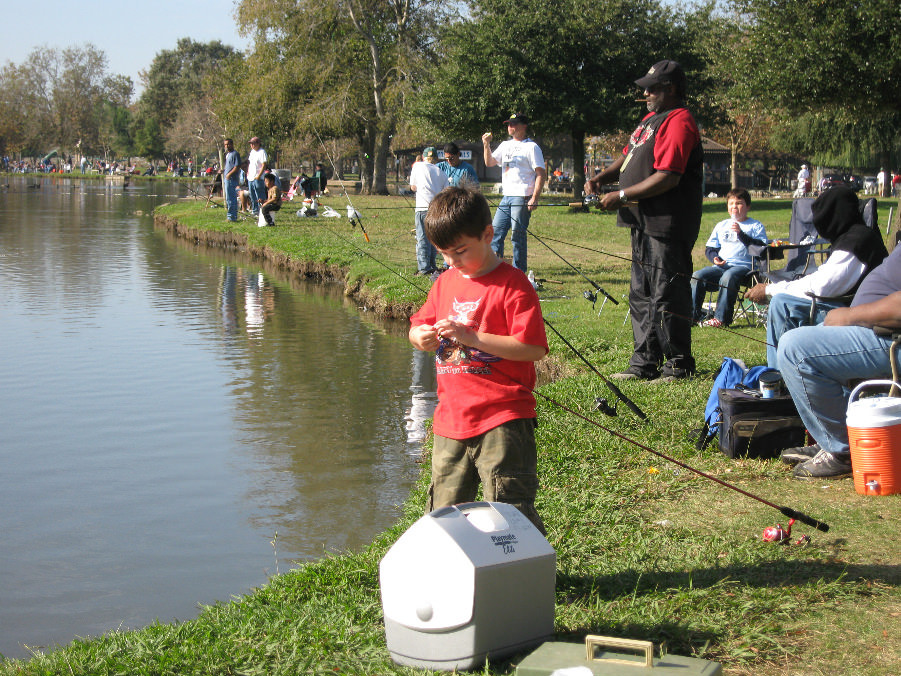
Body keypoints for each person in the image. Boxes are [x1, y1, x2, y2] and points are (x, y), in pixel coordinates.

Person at [408, 186, 549, 532]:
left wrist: (473, 337)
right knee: (444, 511)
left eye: (460, 251)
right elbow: (417, 326)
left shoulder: (513, 285)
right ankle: (457, 577)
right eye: (443, 254)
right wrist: (420, 338)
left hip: (503, 417)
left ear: (488, 235)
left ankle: (523, 574)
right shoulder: (444, 283)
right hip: (450, 420)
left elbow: (533, 348)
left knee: (508, 509)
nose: (451, 261)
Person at [585, 60, 704, 382]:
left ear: (672, 89)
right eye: (645, 88)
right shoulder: (651, 119)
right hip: (641, 220)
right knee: (641, 292)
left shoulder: (680, 121)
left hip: (667, 222)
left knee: (668, 291)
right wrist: (601, 177)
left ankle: (678, 364)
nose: (646, 94)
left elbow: (668, 177)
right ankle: (644, 362)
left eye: (653, 88)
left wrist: (621, 196)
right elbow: (630, 154)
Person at [777, 244, 901, 479]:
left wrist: (850, 315)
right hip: (876, 328)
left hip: (890, 336)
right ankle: (833, 436)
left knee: (795, 348)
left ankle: (844, 448)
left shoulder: (856, 239)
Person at [744, 187, 888, 367]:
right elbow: (825, 277)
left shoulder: (857, 240)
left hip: (858, 318)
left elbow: (823, 287)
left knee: (783, 304)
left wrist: (770, 290)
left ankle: (778, 378)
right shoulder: (852, 236)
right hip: (851, 308)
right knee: (783, 300)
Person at [691, 188, 768, 328]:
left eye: (739, 203)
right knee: (697, 276)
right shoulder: (721, 225)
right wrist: (714, 258)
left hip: (745, 268)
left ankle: (721, 319)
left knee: (728, 276)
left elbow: (761, 248)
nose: (734, 207)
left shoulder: (755, 226)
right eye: (731, 203)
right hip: (722, 266)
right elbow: (710, 249)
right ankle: (692, 316)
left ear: (748, 206)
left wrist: (741, 235)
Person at [481, 113, 546, 272]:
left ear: (524, 126)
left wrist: (534, 197)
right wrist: (486, 145)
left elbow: (540, 174)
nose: (510, 127)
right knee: (495, 232)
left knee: (517, 235)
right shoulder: (505, 145)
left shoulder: (531, 147)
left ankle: (519, 272)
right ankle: (495, 269)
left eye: (514, 124)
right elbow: (489, 162)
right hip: (507, 196)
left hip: (522, 196)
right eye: (509, 124)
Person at [409, 146, 450, 276]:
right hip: (435, 209)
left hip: (421, 209)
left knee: (422, 238)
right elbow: (446, 192)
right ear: (436, 159)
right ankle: (432, 265)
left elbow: (413, 187)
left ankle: (424, 268)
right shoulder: (442, 173)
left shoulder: (417, 167)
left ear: (423, 157)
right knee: (432, 238)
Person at [247, 137, 269, 216]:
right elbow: (250, 164)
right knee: (252, 196)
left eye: (253, 143)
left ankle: (262, 211)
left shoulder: (262, 152)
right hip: (250, 177)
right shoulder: (252, 152)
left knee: (260, 195)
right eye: (251, 144)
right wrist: (248, 173)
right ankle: (255, 210)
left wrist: (259, 175)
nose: (252, 145)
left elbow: (264, 165)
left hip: (258, 177)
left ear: (258, 143)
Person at [222, 138, 242, 223]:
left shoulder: (235, 154)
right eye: (225, 145)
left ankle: (232, 217)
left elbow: (237, 167)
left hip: (231, 179)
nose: (226, 146)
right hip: (227, 179)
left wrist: (229, 174)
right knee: (228, 198)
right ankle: (230, 216)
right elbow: (229, 167)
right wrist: (223, 171)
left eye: (228, 144)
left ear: (232, 144)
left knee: (231, 198)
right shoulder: (228, 155)